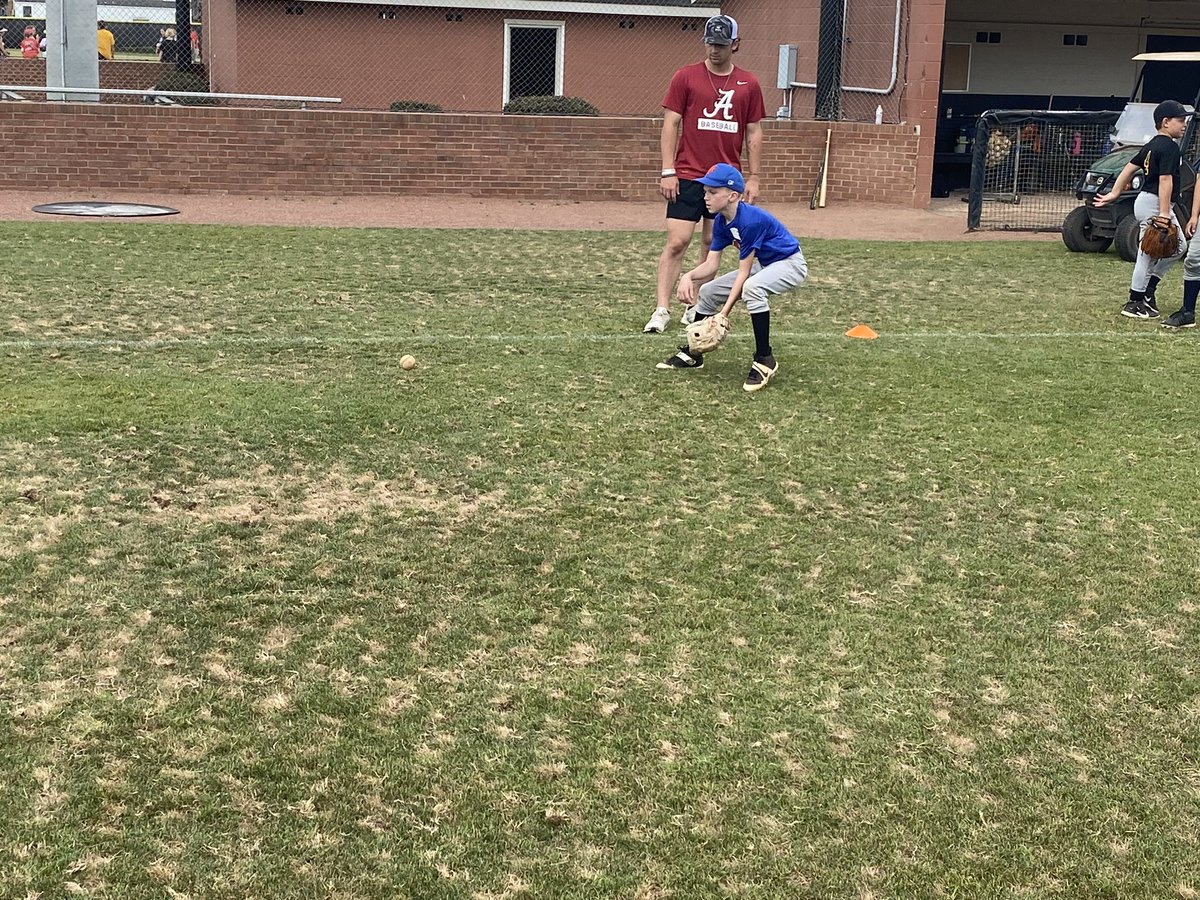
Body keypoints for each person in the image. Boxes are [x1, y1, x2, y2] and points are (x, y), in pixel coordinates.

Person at [643, 14, 765, 335]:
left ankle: (695, 305)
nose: (714, 49)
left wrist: (754, 176)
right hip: (687, 174)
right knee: (677, 241)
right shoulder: (686, 77)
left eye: (721, 44)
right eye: (710, 43)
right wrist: (668, 170)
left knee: (711, 242)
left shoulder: (748, 84)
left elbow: (754, 131)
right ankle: (661, 309)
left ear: (735, 44)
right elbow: (671, 123)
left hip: (725, 179)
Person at [656, 163, 807, 393]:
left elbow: (744, 273)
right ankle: (694, 353)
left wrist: (722, 315)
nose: (705, 197)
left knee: (752, 288)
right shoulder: (721, 221)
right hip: (764, 264)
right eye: (705, 191)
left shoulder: (751, 220)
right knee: (708, 291)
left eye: (713, 192)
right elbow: (711, 263)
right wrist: (689, 276)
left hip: (790, 264)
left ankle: (765, 359)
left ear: (733, 196)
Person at [1095, 99, 1190, 319]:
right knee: (1147, 253)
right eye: (1180, 120)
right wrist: (1164, 213)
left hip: (1149, 202)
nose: (1184, 124)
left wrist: (1115, 192)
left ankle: (1147, 289)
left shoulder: (1151, 145)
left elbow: (1129, 168)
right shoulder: (1169, 147)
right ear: (1165, 122)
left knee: (1179, 247)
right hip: (1155, 203)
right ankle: (1135, 301)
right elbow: (1165, 180)